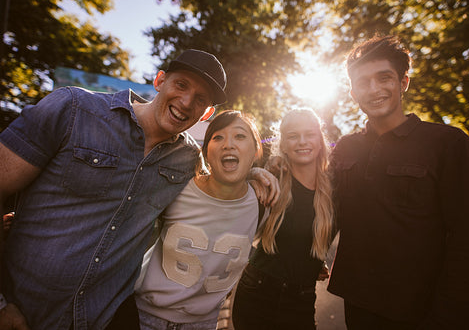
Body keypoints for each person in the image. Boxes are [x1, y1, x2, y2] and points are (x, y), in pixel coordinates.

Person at [0, 49, 277, 330]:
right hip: (20, 312)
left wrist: (252, 172)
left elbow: (218, 177)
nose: (185, 101)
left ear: (206, 112)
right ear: (159, 80)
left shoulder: (187, 159)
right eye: (181, 85)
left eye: (201, 99)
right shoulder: (73, 109)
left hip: (103, 319)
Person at [327, 35, 469, 329]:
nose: (374, 89)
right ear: (352, 92)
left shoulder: (448, 144)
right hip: (359, 308)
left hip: (426, 314)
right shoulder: (346, 148)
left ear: (404, 82)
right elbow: (324, 210)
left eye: (384, 78)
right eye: (363, 82)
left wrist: (449, 318)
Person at [134, 110, 266, 330]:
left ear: (256, 151)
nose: (228, 144)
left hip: (204, 323)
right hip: (143, 315)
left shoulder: (264, 202)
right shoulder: (178, 187)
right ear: (206, 152)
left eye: (240, 136)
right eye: (217, 137)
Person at [231, 108, 335, 330]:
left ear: (320, 139)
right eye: (293, 136)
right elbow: (229, 190)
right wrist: (253, 173)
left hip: (302, 298)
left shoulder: (335, 191)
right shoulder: (271, 181)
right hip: (257, 290)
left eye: (309, 134)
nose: (302, 142)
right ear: (284, 144)